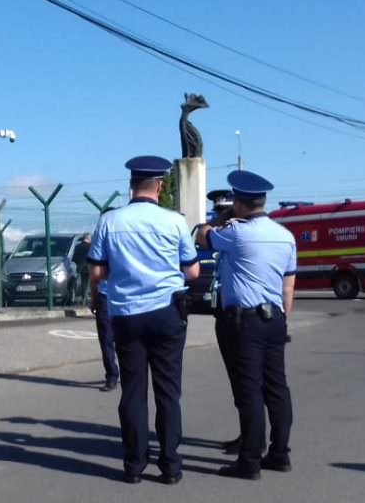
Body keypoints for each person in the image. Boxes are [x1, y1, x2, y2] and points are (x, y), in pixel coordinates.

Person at [87, 156, 200, 484]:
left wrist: (99, 295)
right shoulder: (174, 221)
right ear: (160, 186)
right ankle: (171, 465)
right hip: (167, 312)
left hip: (126, 314)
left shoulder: (109, 221)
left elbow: (97, 270)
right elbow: (192, 270)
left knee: (133, 391)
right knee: (168, 392)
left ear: (131, 185)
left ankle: (134, 465)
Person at [196, 170, 296, 481]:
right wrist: (283, 318)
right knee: (277, 388)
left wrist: (221, 217)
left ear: (238, 203)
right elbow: (288, 285)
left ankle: (249, 460)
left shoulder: (236, 234)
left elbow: (202, 235)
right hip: (276, 319)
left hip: (246, 322)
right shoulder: (285, 236)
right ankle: (279, 453)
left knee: (250, 390)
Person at [201, 188, 243, 454]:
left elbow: (203, 235)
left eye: (225, 213)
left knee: (245, 380)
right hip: (228, 310)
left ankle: (252, 438)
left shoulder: (234, 235)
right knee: (241, 379)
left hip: (239, 316)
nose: (222, 220)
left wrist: (220, 223)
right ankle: (251, 434)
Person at [82, 234, 119, 391]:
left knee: (124, 337)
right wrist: (94, 298)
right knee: (106, 337)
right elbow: (94, 275)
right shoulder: (100, 245)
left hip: (121, 295)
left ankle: (122, 372)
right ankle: (111, 374)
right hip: (106, 294)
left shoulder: (122, 243)